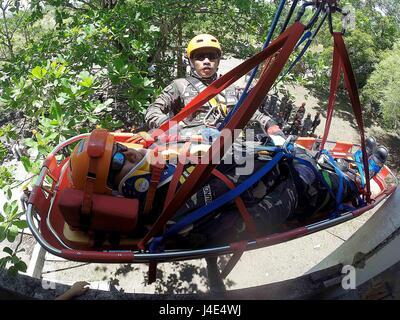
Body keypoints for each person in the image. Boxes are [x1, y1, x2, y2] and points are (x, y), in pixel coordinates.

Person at [67, 129, 383, 248]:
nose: (129, 152)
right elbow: (257, 213)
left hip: (263, 168)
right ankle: (357, 177)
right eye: (118, 158)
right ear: (116, 188)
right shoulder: (179, 215)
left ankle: (340, 169)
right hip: (295, 189)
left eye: (120, 146)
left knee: (301, 160)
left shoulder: (163, 185)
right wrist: (278, 160)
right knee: (309, 170)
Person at [144, 34, 279, 138]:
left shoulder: (231, 87)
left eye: (212, 56)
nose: (207, 61)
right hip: (191, 148)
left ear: (218, 60)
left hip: (229, 149)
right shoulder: (179, 86)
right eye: (200, 57)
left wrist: (270, 125)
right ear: (191, 61)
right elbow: (153, 111)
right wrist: (171, 125)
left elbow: (252, 113)